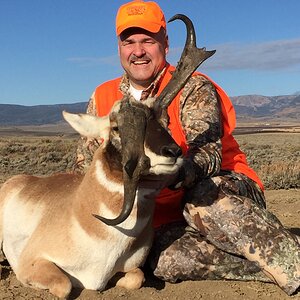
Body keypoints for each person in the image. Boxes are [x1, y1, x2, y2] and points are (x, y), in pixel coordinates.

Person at [74, 0, 300, 295]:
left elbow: (208, 154)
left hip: (224, 190)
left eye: (147, 40)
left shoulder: (193, 86)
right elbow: (83, 165)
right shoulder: (103, 97)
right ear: (119, 47)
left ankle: (292, 263)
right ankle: (272, 261)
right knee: (160, 260)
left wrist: (171, 174)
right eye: (129, 42)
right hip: (158, 213)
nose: (137, 50)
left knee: (203, 202)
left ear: (165, 44)